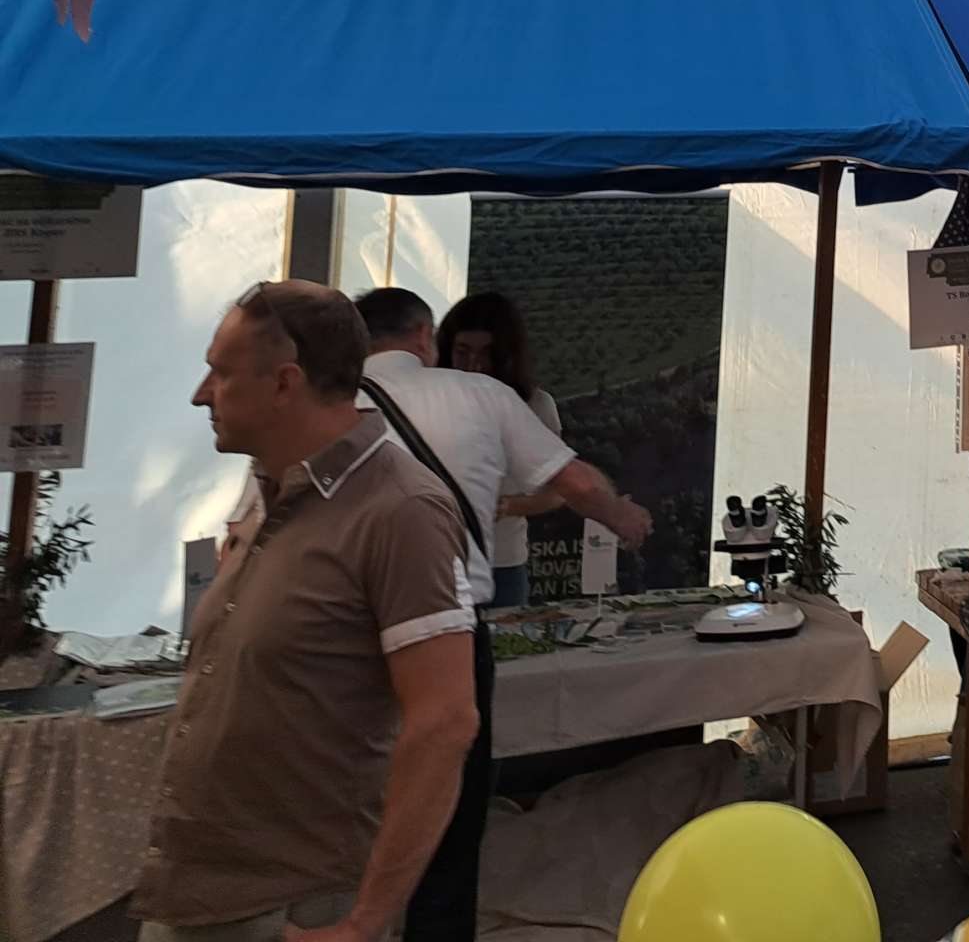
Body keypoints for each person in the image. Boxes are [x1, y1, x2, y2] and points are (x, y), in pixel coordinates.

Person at [132, 282, 480, 942]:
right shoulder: (273, 491)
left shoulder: (400, 509)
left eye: (222, 373)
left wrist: (364, 923)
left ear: (285, 384)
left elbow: (445, 723)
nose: (201, 394)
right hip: (198, 894)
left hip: (295, 907)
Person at [356, 287, 653, 942]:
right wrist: (625, 516)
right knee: (447, 806)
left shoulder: (320, 404)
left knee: (351, 793)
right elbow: (577, 484)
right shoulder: (481, 397)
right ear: (425, 337)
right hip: (446, 630)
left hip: (345, 633)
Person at [436, 290, 563, 609]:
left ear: (507, 355)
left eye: (486, 354)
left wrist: (506, 506)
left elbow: (558, 492)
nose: (473, 365)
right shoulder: (427, 400)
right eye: (462, 352)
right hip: (433, 561)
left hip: (501, 566)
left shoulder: (535, 406)